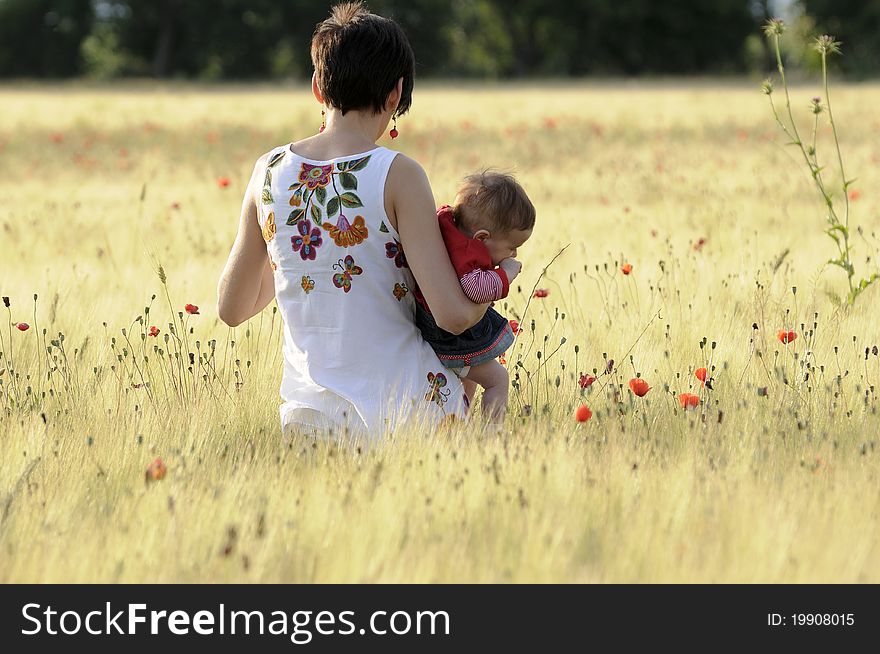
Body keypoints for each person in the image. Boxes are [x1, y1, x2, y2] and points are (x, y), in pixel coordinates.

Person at [217, 2, 489, 441]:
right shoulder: (398, 174)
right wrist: (502, 277)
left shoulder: (267, 170)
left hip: (308, 423)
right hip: (407, 414)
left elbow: (231, 309)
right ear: (396, 93)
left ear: (317, 89)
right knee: (481, 377)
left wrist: (299, 263)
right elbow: (454, 316)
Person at [413, 171, 534, 421]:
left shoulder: (450, 228)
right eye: (512, 247)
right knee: (497, 379)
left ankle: (461, 424)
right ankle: (491, 436)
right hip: (448, 337)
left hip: (434, 325)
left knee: (469, 379)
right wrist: (507, 274)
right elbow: (477, 289)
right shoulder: (470, 254)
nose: (513, 254)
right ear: (482, 238)